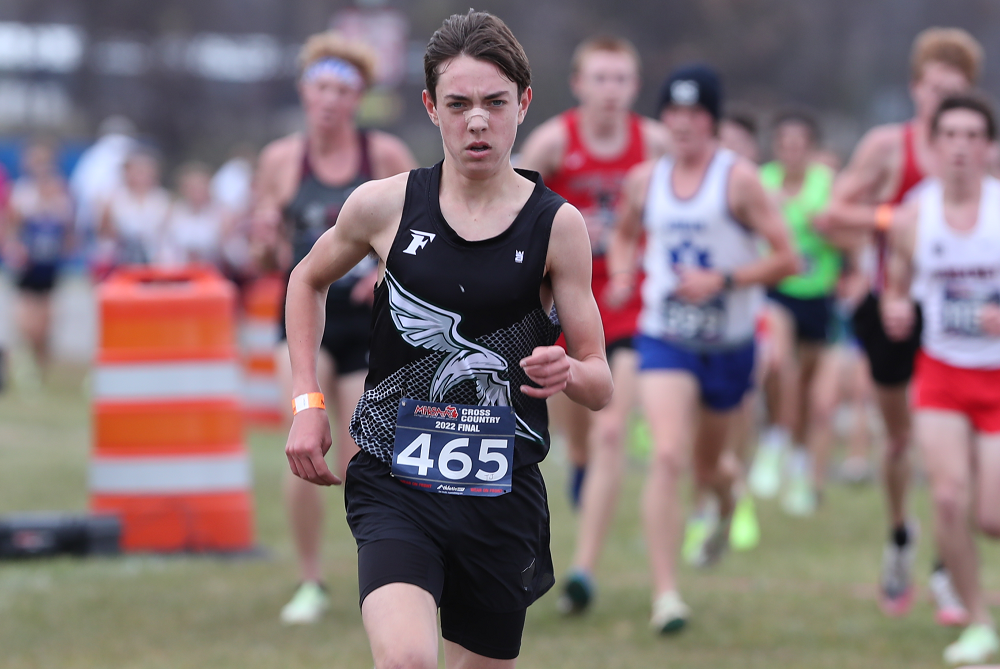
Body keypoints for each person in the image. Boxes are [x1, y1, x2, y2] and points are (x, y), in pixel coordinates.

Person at [284, 11, 612, 666]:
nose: (477, 121)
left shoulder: (558, 226)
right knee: (407, 658)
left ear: (523, 103)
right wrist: (307, 402)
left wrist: (566, 373)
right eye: (458, 104)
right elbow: (305, 279)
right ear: (432, 107)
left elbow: (600, 379)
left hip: (499, 493)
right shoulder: (385, 204)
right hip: (393, 478)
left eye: (494, 102)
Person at [607, 64, 797, 633]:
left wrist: (726, 281)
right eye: (673, 113)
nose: (683, 124)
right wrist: (621, 273)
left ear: (713, 121)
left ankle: (725, 501)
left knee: (709, 464)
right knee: (667, 454)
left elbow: (787, 258)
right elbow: (623, 234)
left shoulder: (737, 181)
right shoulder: (646, 180)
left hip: (731, 343)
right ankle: (666, 595)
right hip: (665, 335)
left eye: (695, 114)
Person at [253, 30, 417, 625]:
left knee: (363, 454)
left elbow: (422, 235)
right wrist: (266, 239)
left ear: (359, 98)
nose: (329, 100)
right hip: (302, 325)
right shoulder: (279, 160)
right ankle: (309, 580)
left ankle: (380, 573)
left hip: (371, 326)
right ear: (304, 91)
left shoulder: (387, 157)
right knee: (302, 439)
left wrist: (385, 271)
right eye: (320, 86)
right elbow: (268, 263)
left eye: (342, 89)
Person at [820, 27, 982, 621]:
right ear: (916, 90)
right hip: (893, 310)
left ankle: (946, 566)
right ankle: (899, 537)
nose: (941, 102)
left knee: (955, 454)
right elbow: (829, 216)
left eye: (955, 91)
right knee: (898, 440)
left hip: (960, 319)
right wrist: (893, 217)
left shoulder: (980, 152)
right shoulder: (890, 147)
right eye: (933, 90)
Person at [517, 34, 669, 614]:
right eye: (599, 79)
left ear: (634, 87)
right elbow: (515, 205)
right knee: (576, 435)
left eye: (621, 79)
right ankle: (580, 470)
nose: (611, 91)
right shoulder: (554, 142)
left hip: (632, 304)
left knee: (610, 430)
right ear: (579, 84)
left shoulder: (653, 143)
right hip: (569, 305)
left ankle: (582, 571)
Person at [882, 93, 1000, 666]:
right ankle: (979, 622)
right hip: (943, 375)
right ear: (934, 144)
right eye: (949, 134)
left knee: (992, 516)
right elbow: (897, 285)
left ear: (989, 147)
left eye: (972, 135)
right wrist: (897, 307)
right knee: (949, 499)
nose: (960, 146)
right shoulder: (912, 216)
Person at [748, 110, 841, 516]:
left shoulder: (828, 185)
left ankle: (800, 462)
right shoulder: (761, 182)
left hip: (818, 293)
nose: (792, 153)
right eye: (784, 145)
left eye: (800, 145)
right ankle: (775, 442)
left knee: (807, 388)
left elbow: (847, 234)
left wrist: (827, 227)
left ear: (812, 150)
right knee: (779, 365)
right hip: (777, 290)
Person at [4, 140, 74, 385]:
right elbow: (12, 225)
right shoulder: (23, 192)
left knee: (45, 320)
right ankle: (27, 361)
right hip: (28, 263)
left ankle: (41, 364)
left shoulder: (60, 191)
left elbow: (67, 230)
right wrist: (14, 248)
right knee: (25, 317)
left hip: (49, 264)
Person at [97, 147, 171, 271]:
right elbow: (104, 233)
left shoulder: (162, 199)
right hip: (121, 258)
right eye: (137, 171)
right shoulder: (113, 199)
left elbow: (166, 234)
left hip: (155, 259)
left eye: (144, 171)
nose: (141, 176)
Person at [159, 162, 232, 269]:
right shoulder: (174, 212)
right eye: (192, 187)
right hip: (180, 270)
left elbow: (227, 250)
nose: (196, 192)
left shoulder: (222, 213)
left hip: (212, 270)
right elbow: (166, 245)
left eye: (200, 186)